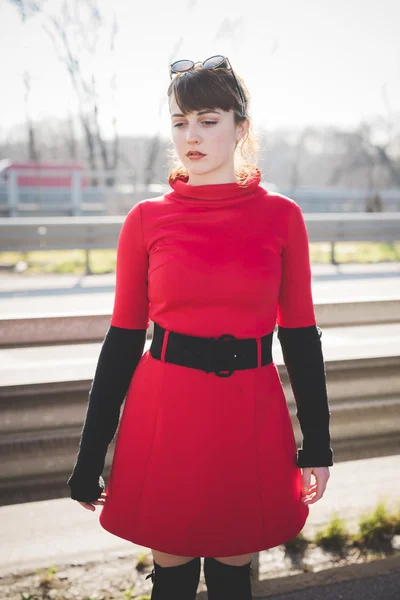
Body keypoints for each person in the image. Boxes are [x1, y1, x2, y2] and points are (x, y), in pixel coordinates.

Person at [67, 54, 333, 600]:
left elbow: (301, 337)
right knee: (174, 569)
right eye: (180, 122)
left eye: (208, 120)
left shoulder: (283, 217)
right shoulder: (146, 219)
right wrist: (89, 455)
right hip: (164, 414)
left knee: (235, 571)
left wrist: (319, 446)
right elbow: (121, 341)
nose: (192, 135)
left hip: (249, 416)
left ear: (241, 127)